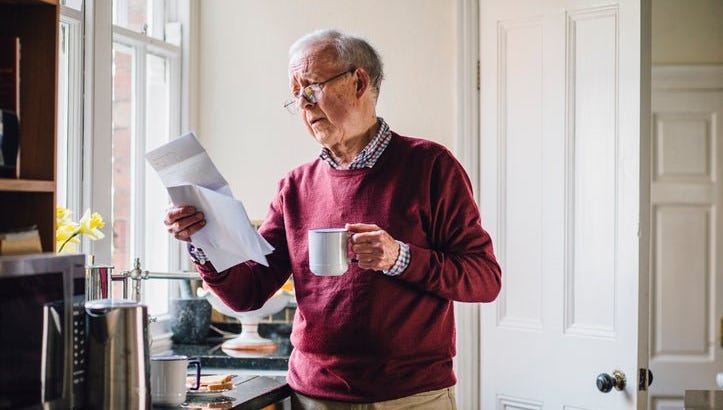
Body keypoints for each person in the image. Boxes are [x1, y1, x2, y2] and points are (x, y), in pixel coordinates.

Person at [164, 29, 501, 410]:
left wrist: (399, 257)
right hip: (313, 398)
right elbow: (249, 293)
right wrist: (203, 241)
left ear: (359, 82)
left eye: (311, 87)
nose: (304, 105)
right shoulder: (294, 186)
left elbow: (485, 280)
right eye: (296, 95)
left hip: (411, 398)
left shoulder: (431, 167)